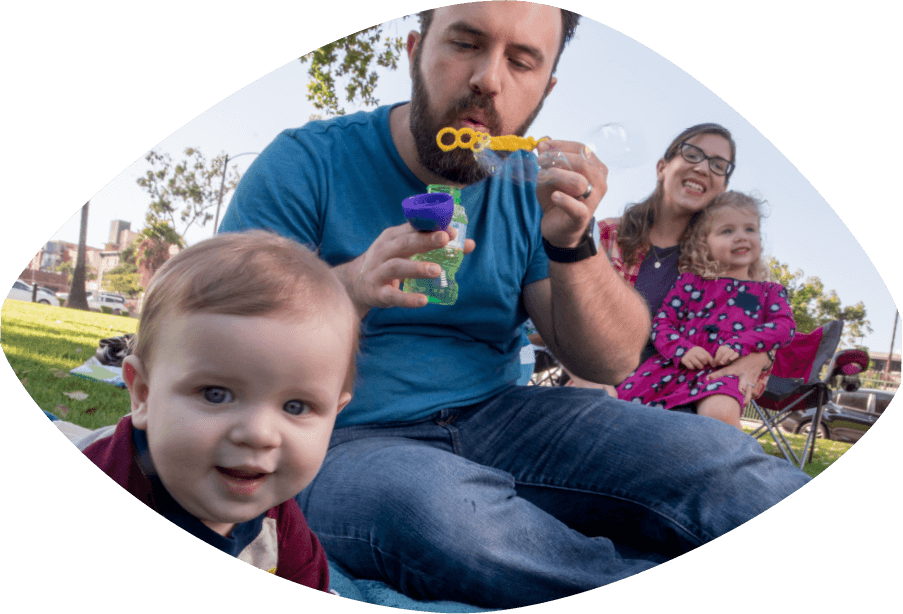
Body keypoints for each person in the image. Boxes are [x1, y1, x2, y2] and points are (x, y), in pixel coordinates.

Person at [219, 3, 811, 608]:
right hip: (340, 436)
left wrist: (572, 244)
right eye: (466, 44)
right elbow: (223, 334)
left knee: (712, 454)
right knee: (444, 514)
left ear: (545, 89)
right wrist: (348, 286)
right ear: (415, 52)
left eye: (522, 62)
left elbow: (610, 361)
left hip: (501, 415)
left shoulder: (526, 185)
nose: (489, 80)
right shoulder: (307, 162)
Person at [71, 230, 359, 592]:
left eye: (296, 406)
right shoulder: (114, 472)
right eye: (216, 394)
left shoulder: (280, 523)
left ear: (335, 415)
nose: (258, 433)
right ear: (143, 394)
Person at [616, 191, 796, 427]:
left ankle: (732, 462)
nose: (741, 237)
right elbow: (662, 323)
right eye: (727, 231)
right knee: (621, 406)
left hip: (723, 373)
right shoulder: (690, 283)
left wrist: (744, 342)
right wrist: (681, 349)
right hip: (671, 368)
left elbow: (784, 327)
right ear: (705, 243)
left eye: (750, 229)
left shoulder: (769, 292)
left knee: (720, 413)